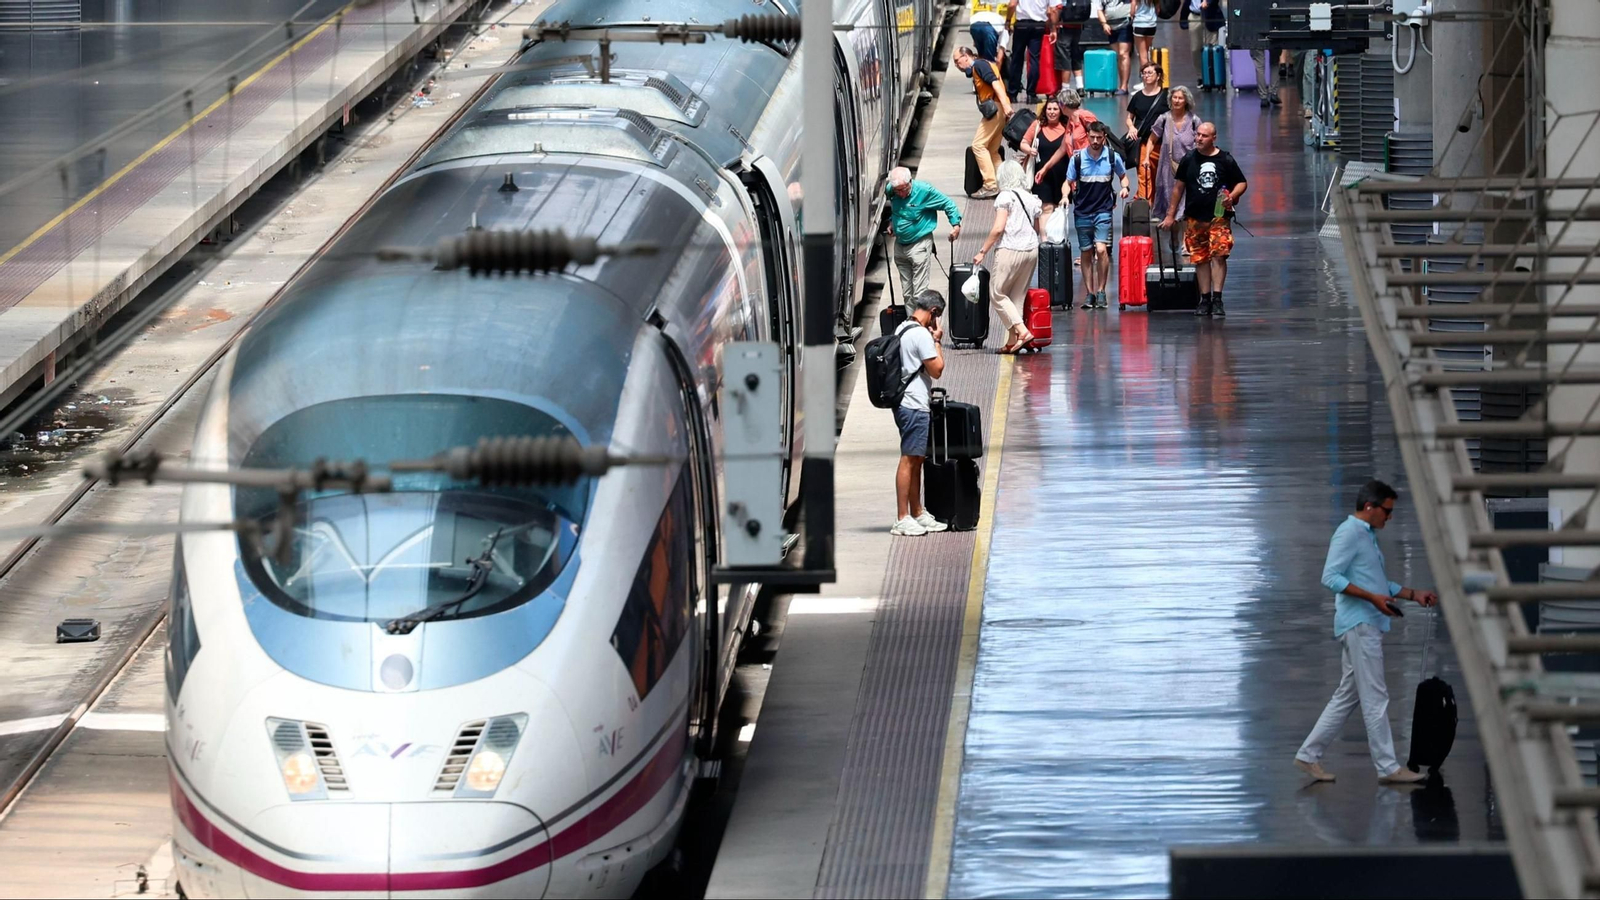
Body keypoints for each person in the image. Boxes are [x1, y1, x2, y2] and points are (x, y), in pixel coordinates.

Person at [1294, 480, 1436, 785]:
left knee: (1348, 695)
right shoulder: (1349, 533)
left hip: (1363, 622)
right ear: (1369, 507)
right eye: (1386, 510)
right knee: (1375, 697)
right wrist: (1372, 599)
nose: (1390, 517)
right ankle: (1388, 767)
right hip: (1360, 624)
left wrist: (1412, 594)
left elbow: (1377, 584)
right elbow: (1330, 577)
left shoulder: (1366, 535)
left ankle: (1308, 755)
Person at [1160, 121, 1246, 317]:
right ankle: (1204, 298)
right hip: (1195, 218)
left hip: (1219, 218)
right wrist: (1170, 215)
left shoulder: (1225, 160)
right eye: (1197, 135)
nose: (1198, 139)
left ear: (1213, 138)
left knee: (1219, 255)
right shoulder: (1189, 159)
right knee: (1200, 258)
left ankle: (1217, 298)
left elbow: (1242, 182)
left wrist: (1231, 197)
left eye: (1204, 136)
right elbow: (1178, 189)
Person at [890, 290, 949, 537]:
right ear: (934, 313)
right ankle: (902, 517)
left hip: (904, 401)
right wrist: (937, 339)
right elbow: (937, 370)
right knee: (909, 458)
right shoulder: (922, 335)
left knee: (916, 459)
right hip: (913, 403)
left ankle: (917, 511)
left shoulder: (902, 328)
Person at [973, 161, 1043, 353]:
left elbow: (998, 228)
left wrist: (982, 251)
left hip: (1010, 248)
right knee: (1016, 297)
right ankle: (1013, 341)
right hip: (1030, 250)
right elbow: (1037, 228)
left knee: (996, 293)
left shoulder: (1005, 197)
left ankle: (1022, 331)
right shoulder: (1030, 198)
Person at [1064, 120, 1129, 309]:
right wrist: (1064, 195)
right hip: (1082, 211)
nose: (1094, 141)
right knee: (1086, 252)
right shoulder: (1077, 159)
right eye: (1091, 137)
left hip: (1103, 210)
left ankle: (1101, 291)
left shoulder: (1111, 157)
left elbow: (1123, 176)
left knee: (1101, 249)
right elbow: (1068, 181)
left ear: (1104, 138)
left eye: (1098, 138)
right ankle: (1090, 293)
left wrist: (1125, 187)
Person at [885, 166, 963, 299]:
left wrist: (956, 225)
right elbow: (895, 208)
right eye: (898, 191)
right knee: (907, 294)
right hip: (900, 245)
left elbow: (948, 204)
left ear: (910, 182)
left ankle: (921, 319)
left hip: (919, 243)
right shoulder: (891, 190)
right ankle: (913, 319)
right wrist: (892, 222)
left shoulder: (924, 191)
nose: (901, 194)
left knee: (919, 293)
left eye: (904, 189)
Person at [955, 47, 1014, 198]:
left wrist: (1006, 107)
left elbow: (996, 84)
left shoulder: (979, 65)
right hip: (999, 108)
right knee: (992, 150)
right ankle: (1005, 184)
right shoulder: (981, 65)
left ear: (966, 56)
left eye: (957, 61)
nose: (956, 65)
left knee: (978, 145)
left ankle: (990, 185)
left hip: (996, 109)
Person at [1149, 85, 1199, 249]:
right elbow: (1152, 139)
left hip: (1189, 169)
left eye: (1180, 98)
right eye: (1174, 97)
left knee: (1186, 206)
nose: (1177, 101)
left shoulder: (1194, 121)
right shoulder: (1164, 119)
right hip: (1168, 170)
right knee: (1172, 204)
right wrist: (1146, 157)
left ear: (1186, 101)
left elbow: (1203, 142)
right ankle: (1174, 235)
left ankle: (1186, 241)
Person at [1125, 61, 1169, 203]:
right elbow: (1129, 118)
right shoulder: (1137, 96)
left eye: (1150, 73)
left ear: (1158, 76)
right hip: (1143, 140)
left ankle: (1156, 201)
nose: (1146, 76)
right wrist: (1131, 127)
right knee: (1145, 171)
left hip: (1162, 141)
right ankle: (1145, 204)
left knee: (1161, 174)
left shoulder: (1166, 96)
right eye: (1144, 73)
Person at [1006, 0, 1055, 103]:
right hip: (1038, 25)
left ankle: (1012, 93)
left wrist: (1008, 20)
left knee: (1017, 59)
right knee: (1034, 59)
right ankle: (1031, 94)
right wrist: (1053, 29)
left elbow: (1012, 4)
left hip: (1021, 24)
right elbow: (1052, 10)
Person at [1093, 0, 1135, 95]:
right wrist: (1104, 24)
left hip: (1126, 23)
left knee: (1123, 53)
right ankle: (1121, 85)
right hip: (1111, 26)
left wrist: (1133, 14)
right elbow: (1099, 9)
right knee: (1118, 55)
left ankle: (1124, 86)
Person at [1051, 0, 1090, 91]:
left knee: (1065, 57)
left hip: (1064, 28)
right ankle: (1080, 86)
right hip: (1078, 26)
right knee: (1075, 54)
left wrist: (1053, 27)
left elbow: (1056, 9)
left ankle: (1065, 88)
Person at [1178, 0, 1223, 75]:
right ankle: (1201, 76)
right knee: (1195, 48)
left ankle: (1212, 76)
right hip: (1194, 16)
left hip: (1210, 15)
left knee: (1211, 48)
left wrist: (1208, 2)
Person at [970, 2, 1010, 71]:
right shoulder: (1005, 32)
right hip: (988, 28)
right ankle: (989, 79)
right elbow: (999, 60)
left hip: (974, 24)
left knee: (981, 56)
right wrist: (997, 77)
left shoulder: (998, 19)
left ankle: (979, 76)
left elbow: (974, 43)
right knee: (990, 61)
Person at [1131, 0, 1158, 71]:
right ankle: (1150, 72)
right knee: (1147, 51)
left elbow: (1132, 10)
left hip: (1139, 24)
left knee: (1142, 54)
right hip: (1151, 24)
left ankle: (1146, 75)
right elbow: (1158, 10)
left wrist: (1132, 15)